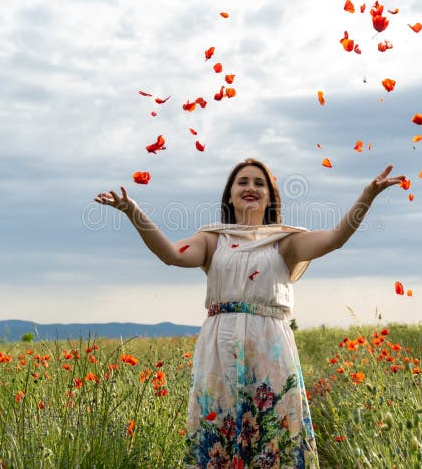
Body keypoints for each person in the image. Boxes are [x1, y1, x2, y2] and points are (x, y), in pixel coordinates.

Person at [95, 158, 404, 468]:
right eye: (242, 182)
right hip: (220, 346)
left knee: (270, 430)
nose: (251, 188)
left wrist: (367, 197)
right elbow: (171, 255)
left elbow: (335, 239)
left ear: (270, 196)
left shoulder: (284, 242)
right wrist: (133, 213)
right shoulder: (212, 239)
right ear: (229, 194)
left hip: (269, 346)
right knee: (220, 431)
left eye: (260, 183)